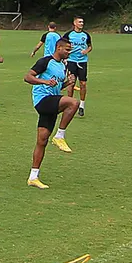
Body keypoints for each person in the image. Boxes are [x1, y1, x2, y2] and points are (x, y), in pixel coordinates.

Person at [24, 39, 80, 189]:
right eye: (67, 49)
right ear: (59, 47)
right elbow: (28, 77)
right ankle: (60, 136)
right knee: (73, 103)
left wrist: (67, 83)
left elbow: (56, 86)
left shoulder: (62, 65)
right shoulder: (45, 61)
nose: (69, 52)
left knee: (42, 141)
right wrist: (44, 81)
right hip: (42, 100)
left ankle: (33, 177)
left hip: (52, 102)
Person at [63, 16, 92, 117]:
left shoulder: (86, 35)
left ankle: (82, 106)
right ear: (74, 23)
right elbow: (62, 46)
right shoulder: (68, 35)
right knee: (71, 83)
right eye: (79, 22)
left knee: (83, 83)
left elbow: (90, 47)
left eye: (82, 22)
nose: (81, 24)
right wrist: (65, 55)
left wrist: (86, 51)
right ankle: (69, 104)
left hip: (82, 62)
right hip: (71, 61)